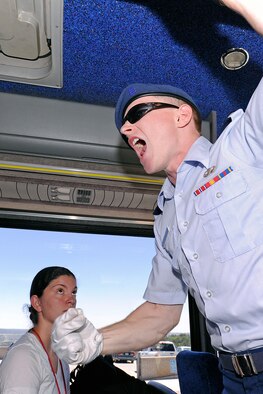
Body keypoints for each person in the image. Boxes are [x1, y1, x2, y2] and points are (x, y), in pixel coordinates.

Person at [51, 1, 263, 393]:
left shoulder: (245, 147)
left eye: (138, 114)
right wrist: (94, 340)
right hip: (232, 378)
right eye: (123, 130)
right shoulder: (166, 216)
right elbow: (161, 313)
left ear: (183, 114)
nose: (128, 131)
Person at [0, 266, 76, 393]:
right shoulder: (23, 358)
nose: (72, 300)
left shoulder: (61, 357)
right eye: (60, 291)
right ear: (37, 303)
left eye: (74, 292)